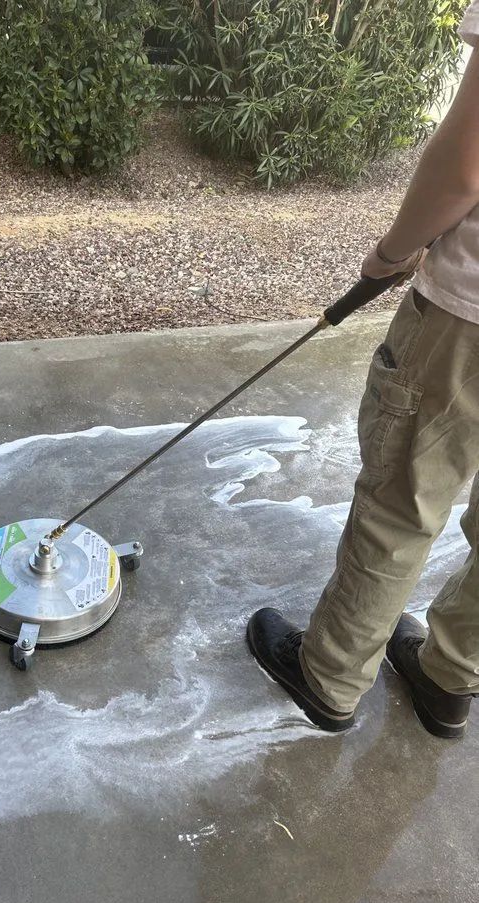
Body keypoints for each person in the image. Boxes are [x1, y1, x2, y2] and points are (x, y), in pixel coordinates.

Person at [247, 2, 479, 740]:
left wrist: (390, 255)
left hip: (470, 319)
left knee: (403, 498)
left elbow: (466, 161)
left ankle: (331, 675)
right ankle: (450, 678)